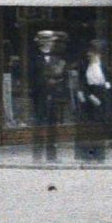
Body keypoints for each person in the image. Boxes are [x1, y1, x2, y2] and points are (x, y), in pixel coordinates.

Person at [29, 30, 69, 163]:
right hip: (39, 96)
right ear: (39, 41)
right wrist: (45, 83)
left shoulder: (57, 59)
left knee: (53, 126)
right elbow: (31, 78)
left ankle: (52, 156)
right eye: (44, 39)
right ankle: (37, 156)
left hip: (54, 96)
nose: (48, 42)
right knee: (39, 126)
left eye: (50, 40)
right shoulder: (34, 58)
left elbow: (63, 77)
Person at [74, 41, 112, 162]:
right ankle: (87, 155)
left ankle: (99, 155)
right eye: (90, 53)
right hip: (88, 100)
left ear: (99, 54)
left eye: (94, 53)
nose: (91, 55)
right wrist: (89, 96)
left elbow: (108, 84)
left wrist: (105, 99)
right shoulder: (84, 67)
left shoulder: (104, 68)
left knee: (100, 129)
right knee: (89, 129)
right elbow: (81, 84)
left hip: (102, 99)